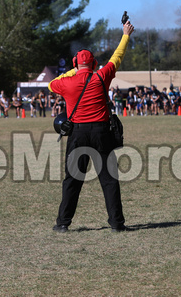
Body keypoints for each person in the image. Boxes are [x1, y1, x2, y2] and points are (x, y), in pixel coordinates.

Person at [48, 20, 135, 233]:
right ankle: (117, 223)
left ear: (75, 63)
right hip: (101, 132)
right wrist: (125, 35)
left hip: (77, 133)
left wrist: (74, 70)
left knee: (72, 180)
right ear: (94, 63)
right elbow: (117, 57)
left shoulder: (67, 82)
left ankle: (63, 223)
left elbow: (52, 83)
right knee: (108, 179)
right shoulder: (100, 77)